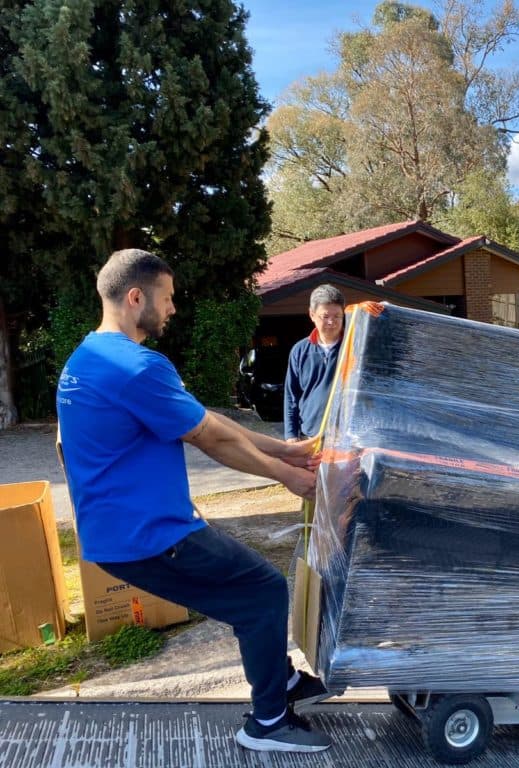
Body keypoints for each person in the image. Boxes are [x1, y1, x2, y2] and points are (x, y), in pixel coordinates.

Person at [56, 249, 333, 752]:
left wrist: (284, 448)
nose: (173, 309)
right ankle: (268, 722)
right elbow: (210, 438)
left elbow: (200, 419)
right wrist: (287, 477)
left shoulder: (88, 358)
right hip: (149, 535)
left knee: (242, 596)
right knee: (263, 590)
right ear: (135, 297)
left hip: (119, 535)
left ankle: (281, 680)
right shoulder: (137, 366)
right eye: (168, 298)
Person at [284, 285, 346, 442]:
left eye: (337, 316)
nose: (331, 322)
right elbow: (291, 396)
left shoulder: (354, 346)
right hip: (310, 437)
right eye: (325, 316)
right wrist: (291, 435)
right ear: (312, 314)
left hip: (347, 439)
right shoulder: (300, 350)